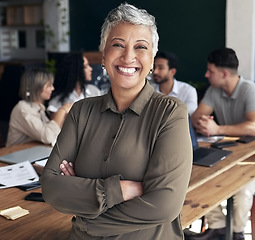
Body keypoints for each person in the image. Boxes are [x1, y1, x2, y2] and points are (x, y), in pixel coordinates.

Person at [41, 3, 192, 240]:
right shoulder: (81, 112)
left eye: (140, 47)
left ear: (152, 59)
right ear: (103, 55)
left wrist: (85, 218)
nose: (128, 56)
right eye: (118, 45)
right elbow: (50, 187)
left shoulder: (170, 113)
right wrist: (120, 190)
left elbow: (164, 204)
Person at [190, 48, 255, 240]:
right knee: (202, 180)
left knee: (243, 192)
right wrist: (204, 123)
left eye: (210, 71)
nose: (206, 75)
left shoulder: (249, 89)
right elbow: (196, 117)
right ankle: (217, 228)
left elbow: (253, 126)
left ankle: (236, 233)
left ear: (224, 73)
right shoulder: (214, 90)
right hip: (228, 155)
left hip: (250, 161)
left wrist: (218, 129)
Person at [6, 68, 72, 147]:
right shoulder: (23, 109)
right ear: (37, 88)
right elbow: (47, 136)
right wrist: (62, 110)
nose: (52, 88)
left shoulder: (39, 107)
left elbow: (54, 134)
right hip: (14, 155)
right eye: (49, 85)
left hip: (32, 152)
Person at [47, 52, 101, 117]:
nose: (91, 69)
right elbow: (55, 126)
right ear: (77, 71)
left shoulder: (94, 91)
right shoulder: (57, 101)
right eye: (86, 66)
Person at [152, 51, 198, 115]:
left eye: (160, 68)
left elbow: (188, 115)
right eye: (154, 67)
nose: (155, 72)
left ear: (172, 72)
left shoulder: (188, 90)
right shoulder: (149, 90)